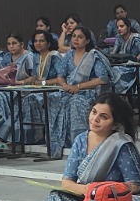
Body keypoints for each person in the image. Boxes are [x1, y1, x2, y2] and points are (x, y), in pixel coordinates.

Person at [47, 27, 112, 158]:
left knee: (76, 102)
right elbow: (60, 76)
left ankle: (80, 143)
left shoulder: (93, 55)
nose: (76, 39)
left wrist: (78, 86)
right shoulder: (69, 55)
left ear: (87, 40)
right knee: (53, 98)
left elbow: (102, 79)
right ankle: (58, 142)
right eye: (74, 36)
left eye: (80, 37)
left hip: (88, 92)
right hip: (69, 90)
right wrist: (65, 85)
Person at [108, 16, 140, 97]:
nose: (119, 29)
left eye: (121, 26)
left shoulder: (136, 37)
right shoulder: (119, 38)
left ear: (128, 27)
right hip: (124, 65)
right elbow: (113, 55)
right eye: (117, 27)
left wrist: (134, 58)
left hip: (137, 65)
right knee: (114, 71)